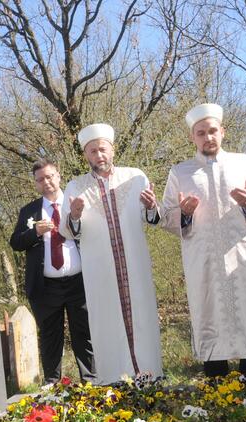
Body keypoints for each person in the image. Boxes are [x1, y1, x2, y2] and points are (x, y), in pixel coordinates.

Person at [156, 104, 246, 379]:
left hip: (241, 253)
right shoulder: (180, 172)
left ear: (223, 132)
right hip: (203, 257)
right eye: (201, 133)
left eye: (212, 131)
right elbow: (166, 215)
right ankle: (215, 377)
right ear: (192, 138)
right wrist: (183, 213)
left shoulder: (244, 162)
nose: (208, 137)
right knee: (208, 310)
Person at [59, 123, 162, 384]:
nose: (99, 155)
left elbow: (151, 218)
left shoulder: (135, 177)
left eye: (102, 149)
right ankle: (114, 381)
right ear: (85, 155)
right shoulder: (75, 187)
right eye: (92, 151)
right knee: (107, 323)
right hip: (100, 272)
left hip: (135, 267)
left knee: (143, 318)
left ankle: (150, 378)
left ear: (112, 150)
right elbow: (68, 230)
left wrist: (152, 206)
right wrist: (75, 215)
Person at [9, 158, 95, 383]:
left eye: (49, 177)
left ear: (58, 176)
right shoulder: (29, 210)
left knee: (84, 334)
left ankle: (91, 381)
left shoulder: (77, 202)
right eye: (40, 179)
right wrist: (34, 232)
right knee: (50, 338)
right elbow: (15, 243)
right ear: (36, 183)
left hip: (80, 282)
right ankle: (52, 386)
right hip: (46, 286)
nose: (46, 182)